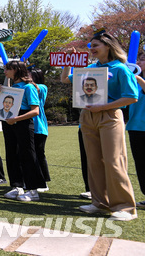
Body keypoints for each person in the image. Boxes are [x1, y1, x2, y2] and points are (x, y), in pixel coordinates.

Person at [61, 31, 139, 221]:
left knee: (114, 160)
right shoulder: (90, 68)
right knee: (94, 160)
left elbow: (132, 96)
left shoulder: (120, 68)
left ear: (108, 46)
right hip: (87, 116)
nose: (92, 49)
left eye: (96, 45)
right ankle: (99, 202)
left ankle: (125, 207)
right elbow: (65, 79)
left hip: (109, 116)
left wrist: (103, 106)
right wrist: (68, 62)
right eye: (91, 46)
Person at [1, 60, 46, 202]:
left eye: (7, 69)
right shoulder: (12, 87)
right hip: (9, 123)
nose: (5, 72)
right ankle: (17, 186)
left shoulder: (28, 87)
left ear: (15, 69)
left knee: (27, 155)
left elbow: (35, 111)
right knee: (11, 154)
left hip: (23, 123)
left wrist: (17, 119)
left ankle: (33, 190)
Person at [126, 54, 145, 208]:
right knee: (140, 164)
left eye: (142, 60)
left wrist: (136, 77)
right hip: (135, 128)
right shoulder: (135, 82)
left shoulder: (139, 81)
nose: (138, 62)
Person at [30, 67, 51, 191]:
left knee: (39, 154)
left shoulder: (42, 87)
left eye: (28, 75)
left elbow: (36, 89)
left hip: (39, 127)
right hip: (29, 126)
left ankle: (43, 181)